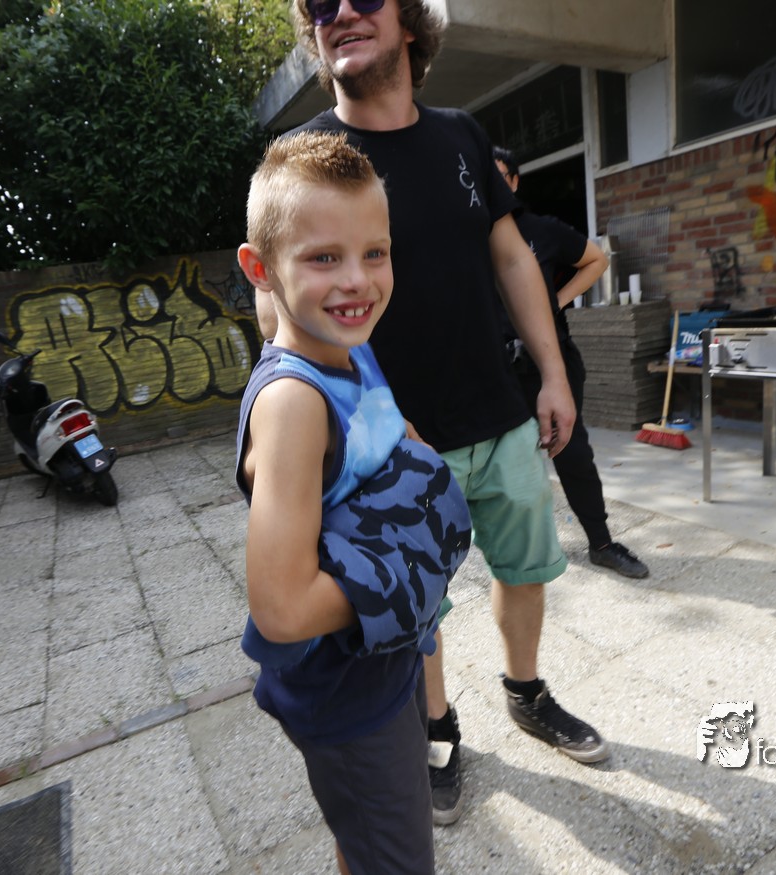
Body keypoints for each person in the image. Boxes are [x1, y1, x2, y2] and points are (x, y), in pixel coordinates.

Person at [282, 0, 611, 829]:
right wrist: (361, 416)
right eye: (319, 2)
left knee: (525, 568)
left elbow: (511, 257)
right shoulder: (306, 156)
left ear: (408, 22)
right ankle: (436, 728)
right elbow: (278, 302)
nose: (339, 11)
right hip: (388, 443)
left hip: (499, 413)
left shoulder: (462, 134)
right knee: (417, 605)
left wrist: (551, 373)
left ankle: (525, 692)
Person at [235, 130, 472, 874]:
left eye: (375, 252)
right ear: (262, 269)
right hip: (347, 697)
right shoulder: (293, 405)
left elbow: (390, 427)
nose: (357, 281)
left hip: (385, 663)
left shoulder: (351, 347)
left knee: (362, 840)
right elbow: (280, 608)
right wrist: (410, 573)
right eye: (323, 258)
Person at [493, 145, 650, 580]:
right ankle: (522, 549)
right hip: (496, 368)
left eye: (500, 176)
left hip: (550, 363)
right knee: (507, 461)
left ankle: (601, 543)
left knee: (572, 452)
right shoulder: (467, 240)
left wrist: (555, 302)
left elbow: (596, 260)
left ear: (514, 182)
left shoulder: (540, 230)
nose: (494, 186)